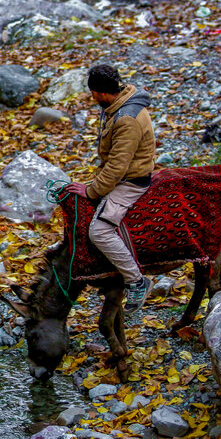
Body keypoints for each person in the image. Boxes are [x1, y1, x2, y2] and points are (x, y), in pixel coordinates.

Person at [63, 64, 156, 312]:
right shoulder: (117, 106)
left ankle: (137, 281)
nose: (92, 98)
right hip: (121, 174)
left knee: (99, 231)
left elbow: (117, 167)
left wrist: (91, 191)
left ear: (101, 93)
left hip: (131, 181)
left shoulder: (127, 119)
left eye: (93, 93)